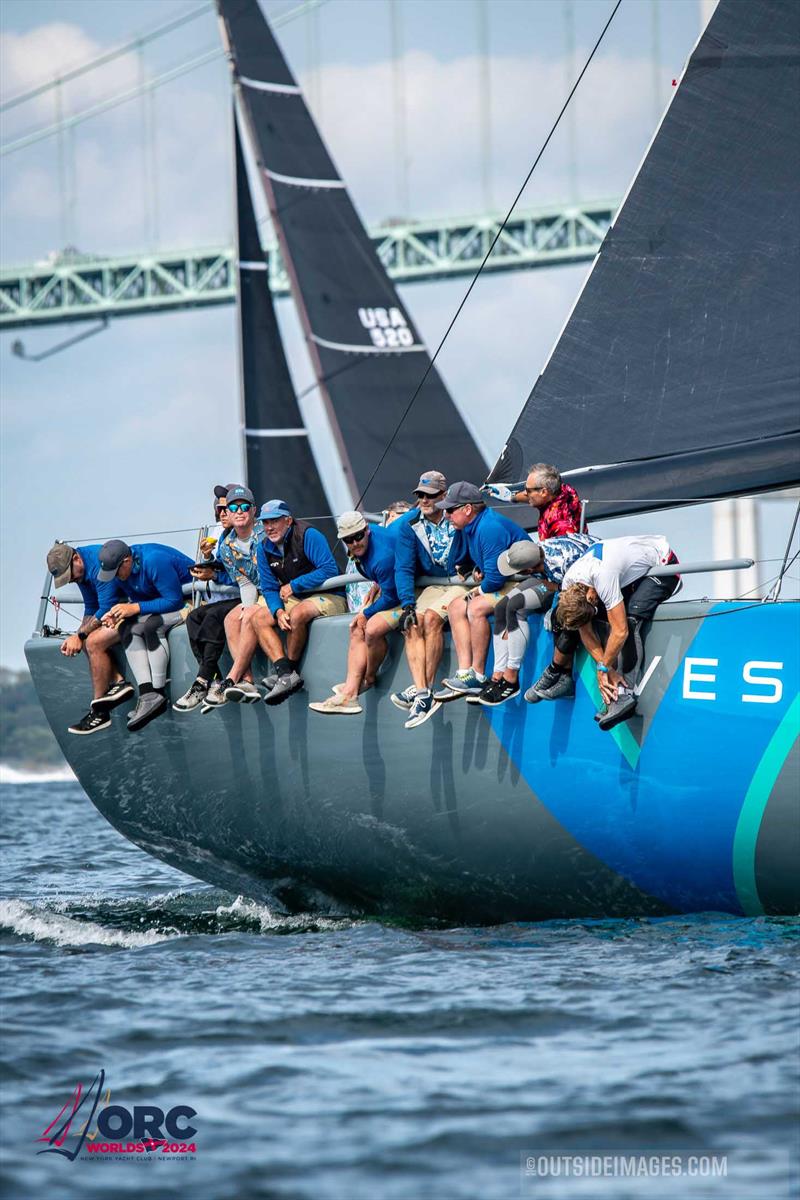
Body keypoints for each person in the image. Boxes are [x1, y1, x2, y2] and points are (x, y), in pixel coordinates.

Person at [527, 534, 680, 730]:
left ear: (591, 597)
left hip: (663, 564)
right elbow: (586, 632)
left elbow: (621, 631)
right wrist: (605, 666)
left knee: (630, 620)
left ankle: (624, 695)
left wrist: (603, 669)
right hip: (626, 569)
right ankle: (614, 690)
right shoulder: (568, 585)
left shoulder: (603, 578)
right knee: (604, 623)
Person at [476, 533, 597, 706]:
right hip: (552, 577)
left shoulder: (559, 565)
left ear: (528, 570)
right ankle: (498, 675)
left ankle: (511, 678)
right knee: (502, 606)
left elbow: (578, 593)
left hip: (574, 580)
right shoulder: (534, 551)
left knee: (515, 607)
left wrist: (555, 595)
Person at [391, 470, 468, 729]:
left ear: (444, 496)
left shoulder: (457, 515)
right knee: (412, 622)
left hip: (461, 582)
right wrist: (406, 604)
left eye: (431, 495)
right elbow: (403, 568)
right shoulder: (408, 525)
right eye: (420, 495)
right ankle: (423, 693)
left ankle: (426, 691)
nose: (424, 500)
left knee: (432, 619)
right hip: (434, 585)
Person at [251, 499, 345, 705]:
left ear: (288, 520)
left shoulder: (308, 535)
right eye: (265, 523)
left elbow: (328, 569)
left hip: (332, 594)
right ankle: (285, 673)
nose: (269, 527)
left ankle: (290, 672)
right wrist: (277, 611)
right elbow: (268, 587)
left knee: (298, 614)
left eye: (274, 521)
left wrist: (294, 585)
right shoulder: (263, 548)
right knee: (258, 618)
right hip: (296, 598)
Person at [434, 482, 523, 699]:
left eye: (450, 510)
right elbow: (455, 560)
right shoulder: (468, 526)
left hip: (520, 582)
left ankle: (478, 675)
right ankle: (465, 674)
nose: (445, 515)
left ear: (467, 509)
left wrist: (478, 590)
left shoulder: (488, 527)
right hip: (502, 581)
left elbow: (495, 580)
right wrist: (472, 566)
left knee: (475, 607)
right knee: (455, 607)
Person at [308, 511, 401, 716]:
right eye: (349, 540)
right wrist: (378, 583)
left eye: (358, 536)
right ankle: (351, 691)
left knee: (369, 627)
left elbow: (394, 596)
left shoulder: (381, 557)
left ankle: (363, 682)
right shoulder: (369, 544)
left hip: (407, 593)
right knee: (358, 626)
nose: (355, 543)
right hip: (395, 586)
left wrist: (367, 612)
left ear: (367, 530)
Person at [97, 539, 194, 732]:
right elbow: (138, 602)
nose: (115, 577)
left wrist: (134, 607)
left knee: (152, 626)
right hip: (164, 603)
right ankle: (147, 695)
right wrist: (116, 614)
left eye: (116, 572)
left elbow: (173, 600)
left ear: (126, 561)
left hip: (187, 601)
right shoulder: (121, 572)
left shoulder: (154, 560)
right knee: (126, 628)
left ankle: (158, 694)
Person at [46, 542, 133, 736]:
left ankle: (99, 712)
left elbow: (106, 607)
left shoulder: (97, 564)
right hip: (115, 609)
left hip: (135, 606)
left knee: (92, 641)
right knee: (86, 639)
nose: (71, 581)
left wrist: (81, 636)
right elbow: (91, 607)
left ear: (76, 559)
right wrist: (76, 637)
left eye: (70, 575)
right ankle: (118, 683)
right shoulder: (82, 572)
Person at [207, 484, 267, 707]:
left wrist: (252, 607)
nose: (239, 511)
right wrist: (247, 605)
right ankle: (247, 681)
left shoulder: (265, 533)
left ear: (253, 510)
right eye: (233, 507)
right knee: (232, 618)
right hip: (256, 591)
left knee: (250, 615)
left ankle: (230, 678)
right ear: (227, 513)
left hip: (276, 589)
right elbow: (244, 582)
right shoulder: (226, 546)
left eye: (244, 506)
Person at [482, 463, 585, 538]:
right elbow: (533, 496)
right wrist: (511, 497)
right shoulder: (560, 490)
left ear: (544, 492)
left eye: (528, 490)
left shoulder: (561, 525)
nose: (525, 493)